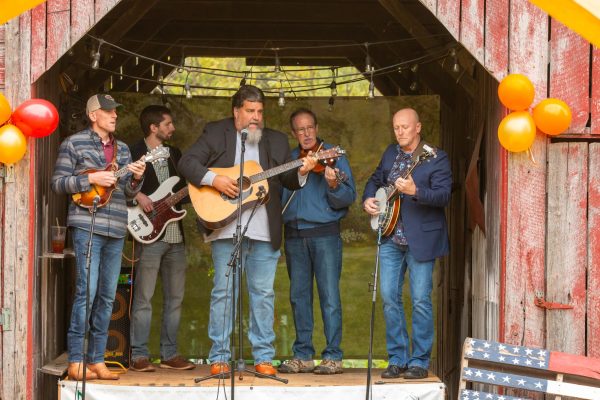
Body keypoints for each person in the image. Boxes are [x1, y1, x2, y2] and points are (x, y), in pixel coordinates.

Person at [178, 85, 317, 377]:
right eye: (250, 111)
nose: (256, 117)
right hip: (226, 227)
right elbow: (187, 162)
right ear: (236, 111)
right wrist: (214, 180)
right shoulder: (217, 132)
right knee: (223, 293)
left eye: (260, 112)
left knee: (263, 294)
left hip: (265, 230)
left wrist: (303, 170)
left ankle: (263, 356)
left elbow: (289, 180)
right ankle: (220, 356)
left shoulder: (276, 141)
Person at [51, 94, 146, 381]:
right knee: (86, 293)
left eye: (115, 111)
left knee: (107, 296)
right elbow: (58, 184)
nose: (114, 115)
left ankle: (97, 360)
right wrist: (90, 179)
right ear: (94, 115)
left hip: (116, 227)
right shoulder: (73, 143)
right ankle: (77, 360)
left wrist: (137, 177)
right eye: (108, 112)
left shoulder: (125, 149)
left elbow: (129, 193)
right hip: (86, 225)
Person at [362, 108, 452, 380]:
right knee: (389, 297)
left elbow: (444, 196)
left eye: (404, 127)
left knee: (421, 300)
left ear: (418, 128)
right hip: (390, 236)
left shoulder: (436, 157)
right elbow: (375, 180)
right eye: (396, 127)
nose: (399, 132)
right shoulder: (390, 153)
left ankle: (419, 360)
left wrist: (416, 192)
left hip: (421, 239)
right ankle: (398, 358)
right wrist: (369, 199)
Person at [278, 108, 356, 375]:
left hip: (325, 235)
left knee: (329, 297)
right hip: (294, 236)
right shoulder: (288, 160)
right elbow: (278, 198)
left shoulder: (332, 156)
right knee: (299, 297)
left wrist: (333, 185)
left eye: (310, 127)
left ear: (317, 127)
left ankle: (333, 356)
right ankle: (303, 355)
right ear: (294, 133)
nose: (307, 133)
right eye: (300, 129)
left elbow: (348, 198)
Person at [128, 105, 195, 372]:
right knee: (143, 298)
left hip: (175, 236)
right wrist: (137, 195)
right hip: (148, 236)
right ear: (154, 128)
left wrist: (204, 184)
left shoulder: (175, 154)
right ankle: (139, 355)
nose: (173, 128)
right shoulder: (132, 152)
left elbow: (182, 193)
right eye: (168, 124)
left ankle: (170, 354)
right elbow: (120, 185)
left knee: (175, 298)